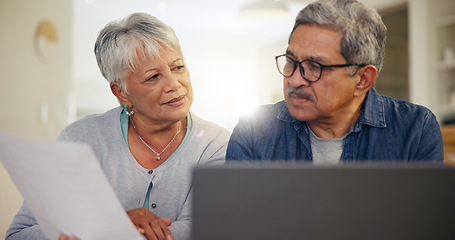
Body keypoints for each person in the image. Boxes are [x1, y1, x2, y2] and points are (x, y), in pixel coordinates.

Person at [7, 12, 230, 240]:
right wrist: (118, 222)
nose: (174, 84)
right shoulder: (81, 138)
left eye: (178, 67)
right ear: (121, 92)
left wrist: (94, 229)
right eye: (153, 77)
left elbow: (203, 231)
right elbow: (19, 235)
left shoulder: (216, 145)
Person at [226, 0, 444, 163]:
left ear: (362, 79)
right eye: (291, 61)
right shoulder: (253, 132)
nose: (294, 79)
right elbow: (234, 219)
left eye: (315, 66)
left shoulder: (415, 129)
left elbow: (424, 222)